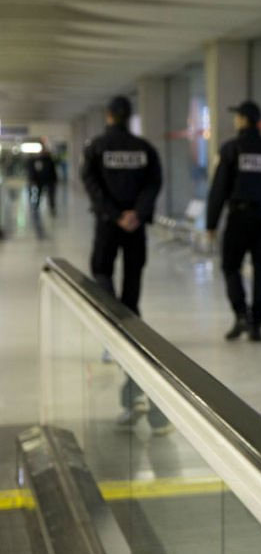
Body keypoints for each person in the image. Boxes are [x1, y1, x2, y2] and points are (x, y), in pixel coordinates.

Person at [81, 95, 171, 436]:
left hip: (108, 224)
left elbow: (90, 184)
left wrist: (114, 214)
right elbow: (153, 183)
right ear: (129, 116)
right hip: (136, 226)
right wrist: (136, 213)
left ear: (108, 115)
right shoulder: (144, 148)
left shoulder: (96, 147)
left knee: (101, 271)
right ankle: (130, 321)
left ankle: (113, 320)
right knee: (133, 275)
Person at [206, 100, 261, 342]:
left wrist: (211, 223)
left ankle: (241, 315)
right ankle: (258, 322)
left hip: (238, 217)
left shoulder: (232, 149)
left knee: (230, 266)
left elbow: (219, 189)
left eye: (237, 117)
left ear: (243, 120)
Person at [27, 141, 59, 216]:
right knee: (39, 194)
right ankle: (36, 208)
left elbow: (53, 171)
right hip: (40, 181)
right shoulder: (36, 160)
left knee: (51, 196)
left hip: (50, 181)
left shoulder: (50, 160)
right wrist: (33, 179)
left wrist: (55, 180)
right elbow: (33, 171)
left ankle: (52, 208)